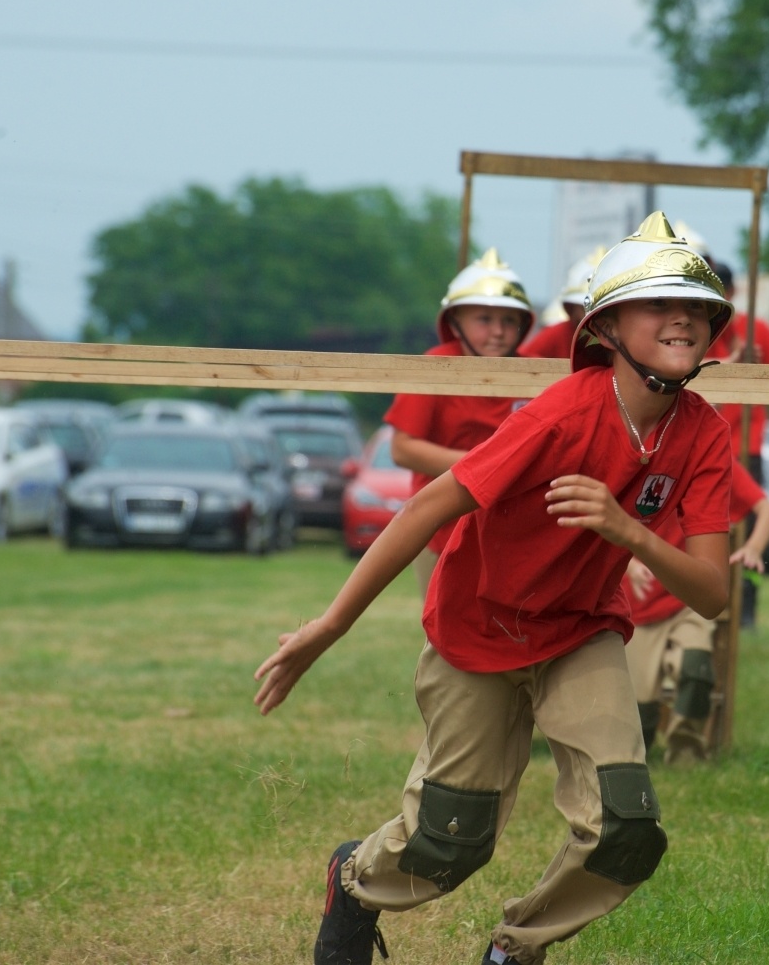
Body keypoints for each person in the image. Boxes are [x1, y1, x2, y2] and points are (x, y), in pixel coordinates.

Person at [254, 211, 736, 965]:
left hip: (579, 631)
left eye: (697, 307)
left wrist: (629, 531)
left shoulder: (705, 432)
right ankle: (353, 881)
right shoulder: (559, 415)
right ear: (608, 327)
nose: (682, 317)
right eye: (657, 302)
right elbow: (426, 505)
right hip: (477, 629)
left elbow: (711, 593)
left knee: (627, 828)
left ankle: (516, 949)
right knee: (449, 841)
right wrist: (330, 626)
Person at [383, 248, 532, 596]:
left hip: (515, 528)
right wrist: (486, 467)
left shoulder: (536, 372)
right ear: (455, 323)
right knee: (445, 623)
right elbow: (402, 449)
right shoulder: (434, 366)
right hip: (440, 524)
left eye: (509, 321)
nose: (498, 332)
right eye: (484, 319)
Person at [623, 456, 769, 764]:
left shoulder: (710, 455)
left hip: (687, 600)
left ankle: (687, 750)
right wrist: (628, 564)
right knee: (639, 705)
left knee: (696, 668)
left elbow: (767, 510)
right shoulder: (632, 455)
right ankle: (640, 751)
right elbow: (601, 522)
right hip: (639, 606)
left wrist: (753, 547)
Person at [702, 256, 769, 629]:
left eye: (720, 292)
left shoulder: (757, 332)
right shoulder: (693, 331)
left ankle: (747, 607)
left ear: (733, 292)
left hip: (744, 447)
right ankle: (709, 601)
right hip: (701, 445)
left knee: (753, 531)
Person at [518, 247, 606, 360]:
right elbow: (520, 363)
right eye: (587, 307)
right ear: (572, 309)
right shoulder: (558, 334)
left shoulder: (624, 337)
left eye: (605, 309)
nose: (594, 314)